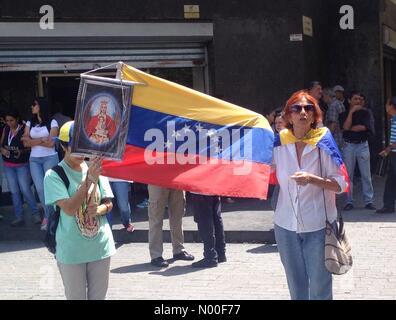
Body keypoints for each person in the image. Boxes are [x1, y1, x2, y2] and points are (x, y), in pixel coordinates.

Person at [272, 90, 348, 300]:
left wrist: (313, 179)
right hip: (285, 225)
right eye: (297, 108)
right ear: (288, 116)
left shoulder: (324, 142)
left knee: (319, 287)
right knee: (296, 287)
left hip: (318, 226)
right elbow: (261, 169)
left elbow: (341, 184)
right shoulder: (279, 143)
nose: (303, 112)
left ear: (315, 115)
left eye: (308, 108)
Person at [44, 121, 115, 300]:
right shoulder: (53, 175)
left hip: (101, 247)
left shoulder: (95, 167)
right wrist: (89, 180)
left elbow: (108, 203)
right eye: (74, 148)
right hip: (71, 251)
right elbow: (68, 208)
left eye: (83, 148)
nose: (80, 154)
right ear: (62, 146)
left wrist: (99, 209)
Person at [21, 97, 59, 231]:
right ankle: (49, 215)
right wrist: (42, 139)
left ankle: (54, 216)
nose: (32, 107)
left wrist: (33, 141)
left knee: (50, 187)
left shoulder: (53, 122)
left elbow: (51, 143)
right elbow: (25, 142)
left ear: (41, 106)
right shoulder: (30, 122)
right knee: (40, 189)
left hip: (50, 157)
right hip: (34, 159)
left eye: (34, 104)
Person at [0, 109, 41, 226]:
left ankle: (35, 213)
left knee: (25, 189)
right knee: (14, 191)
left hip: (22, 164)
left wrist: (21, 151)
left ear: (17, 119)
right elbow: (1, 143)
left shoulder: (24, 129)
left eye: (11, 120)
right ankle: (19, 217)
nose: (9, 123)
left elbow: (30, 145)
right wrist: (2, 149)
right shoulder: (6, 128)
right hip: (8, 164)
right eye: (7, 120)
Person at [339, 91, 376, 211]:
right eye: (355, 99)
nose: (358, 101)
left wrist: (354, 128)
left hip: (362, 145)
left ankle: (368, 201)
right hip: (349, 146)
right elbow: (345, 127)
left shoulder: (366, 113)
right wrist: (351, 113)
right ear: (349, 101)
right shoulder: (344, 114)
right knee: (348, 175)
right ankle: (349, 201)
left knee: (366, 174)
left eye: (360, 99)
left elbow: (367, 128)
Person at [148, 185, 194, 267]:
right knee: (156, 219)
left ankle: (179, 250)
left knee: (177, 217)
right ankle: (156, 255)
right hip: (156, 179)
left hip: (176, 179)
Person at [190, 193, 226, 268]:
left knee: (204, 219)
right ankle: (220, 253)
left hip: (200, 188)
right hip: (213, 186)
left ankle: (210, 256)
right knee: (216, 218)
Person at [376, 97, 396, 214]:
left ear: (392, 106)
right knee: (391, 180)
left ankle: (388, 205)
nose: (386, 106)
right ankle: (388, 205)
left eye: (387, 104)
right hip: (393, 154)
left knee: (391, 180)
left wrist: (388, 148)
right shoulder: (393, 119)